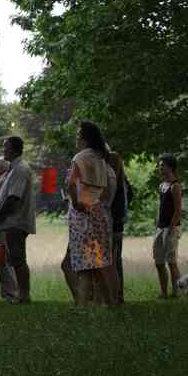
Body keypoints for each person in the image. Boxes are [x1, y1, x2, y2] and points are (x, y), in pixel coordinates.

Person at [63, 122, 119, 306]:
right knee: (100, 263)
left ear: (85, 138)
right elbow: (105, 192)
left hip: (83, 215)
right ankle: (110, 303)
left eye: (79, 134)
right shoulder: (101, 158)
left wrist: (78, 202)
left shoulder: (80, 157)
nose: (76, 137)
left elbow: (71, 183)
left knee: (83, 266)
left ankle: (82, 307)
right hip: (100, 214)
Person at [0, 136, 35, 304]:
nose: (3, 151)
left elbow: (13, 198)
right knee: (12, 259)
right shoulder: (12, 168)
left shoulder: (21, 169)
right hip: (8, 222)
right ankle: (19, 294)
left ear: (15, 149)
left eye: (6, 147)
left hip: (14, 222)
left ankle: (23, 294)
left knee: (17, 259)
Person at [154, 153, 182, 299]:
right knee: (158, 262)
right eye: (159, 164)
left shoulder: (175, 186)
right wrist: (158, 225)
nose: (159, 167)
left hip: (171, 228)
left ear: (170, 167)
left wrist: (170, 228)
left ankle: (177, 292)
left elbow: (178, 210)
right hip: (160, 228)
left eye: (162, 164)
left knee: (171, 261)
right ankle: (164, 292)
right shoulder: (161, 186)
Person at [0, 156, 17, 301]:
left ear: (0, 169)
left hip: (4, 226)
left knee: (4, 261)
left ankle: (11, 294)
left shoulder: (3, 181)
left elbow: (0, 205)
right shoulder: (5, 180)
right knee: (3, 260)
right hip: (4, 226)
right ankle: (11, 292)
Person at [107, 151, 129, 303]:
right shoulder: (124, 182)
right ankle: (119, 294)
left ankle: (113, 295)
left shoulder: (111, 181)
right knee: (117, 260)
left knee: (110, 261)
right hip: (119, 225)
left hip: (110, 224)